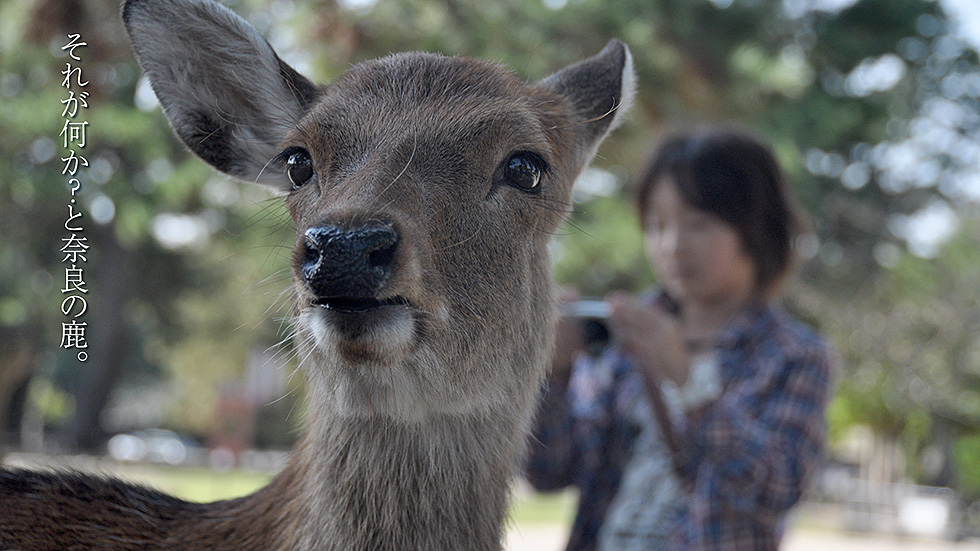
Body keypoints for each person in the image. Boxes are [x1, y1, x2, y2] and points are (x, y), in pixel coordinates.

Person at [526, 127, 836, 551]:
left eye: (698, 224)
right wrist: (549, 374)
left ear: (758, 229)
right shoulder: (622, 332)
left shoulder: (794, 356)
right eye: (657, 224)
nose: (673, 245)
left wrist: (690, 383)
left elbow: (777, 488)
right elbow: (550, 471)